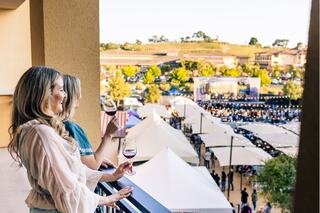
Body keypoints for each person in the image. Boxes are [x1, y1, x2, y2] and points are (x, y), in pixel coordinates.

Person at [8, 66, 133, 212]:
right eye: (61, 89)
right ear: (44, 94)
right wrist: (105, 199)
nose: (65, 95)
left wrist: (111, 176)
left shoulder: (34, 131)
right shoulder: (41, 134)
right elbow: (66, 189)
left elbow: (71, 171)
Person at [61, 75, 132, 213]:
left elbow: (78, 162)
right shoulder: (70, 127)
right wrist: (108, 135)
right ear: (71, 96)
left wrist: (98, 160)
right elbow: (92, 165)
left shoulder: (57, 126)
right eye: (78, 92)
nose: (81, 96)